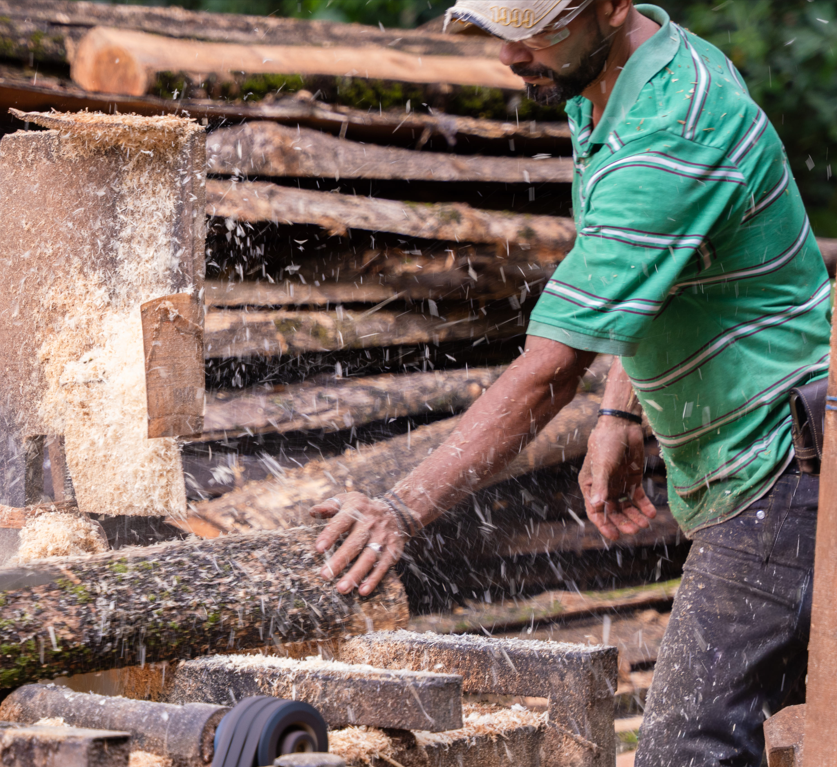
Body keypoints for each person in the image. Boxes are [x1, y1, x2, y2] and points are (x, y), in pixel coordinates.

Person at [310, 1, 832, 763]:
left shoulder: (672, 128)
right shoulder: (609, 82)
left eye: (532, 30)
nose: (509, 56)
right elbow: (656, 272)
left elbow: (549, 371)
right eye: (501, 32)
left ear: (613, 6)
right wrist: (620, 412)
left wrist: (398, 508)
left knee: (685, 749)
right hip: (763, 458)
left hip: (780, 467)